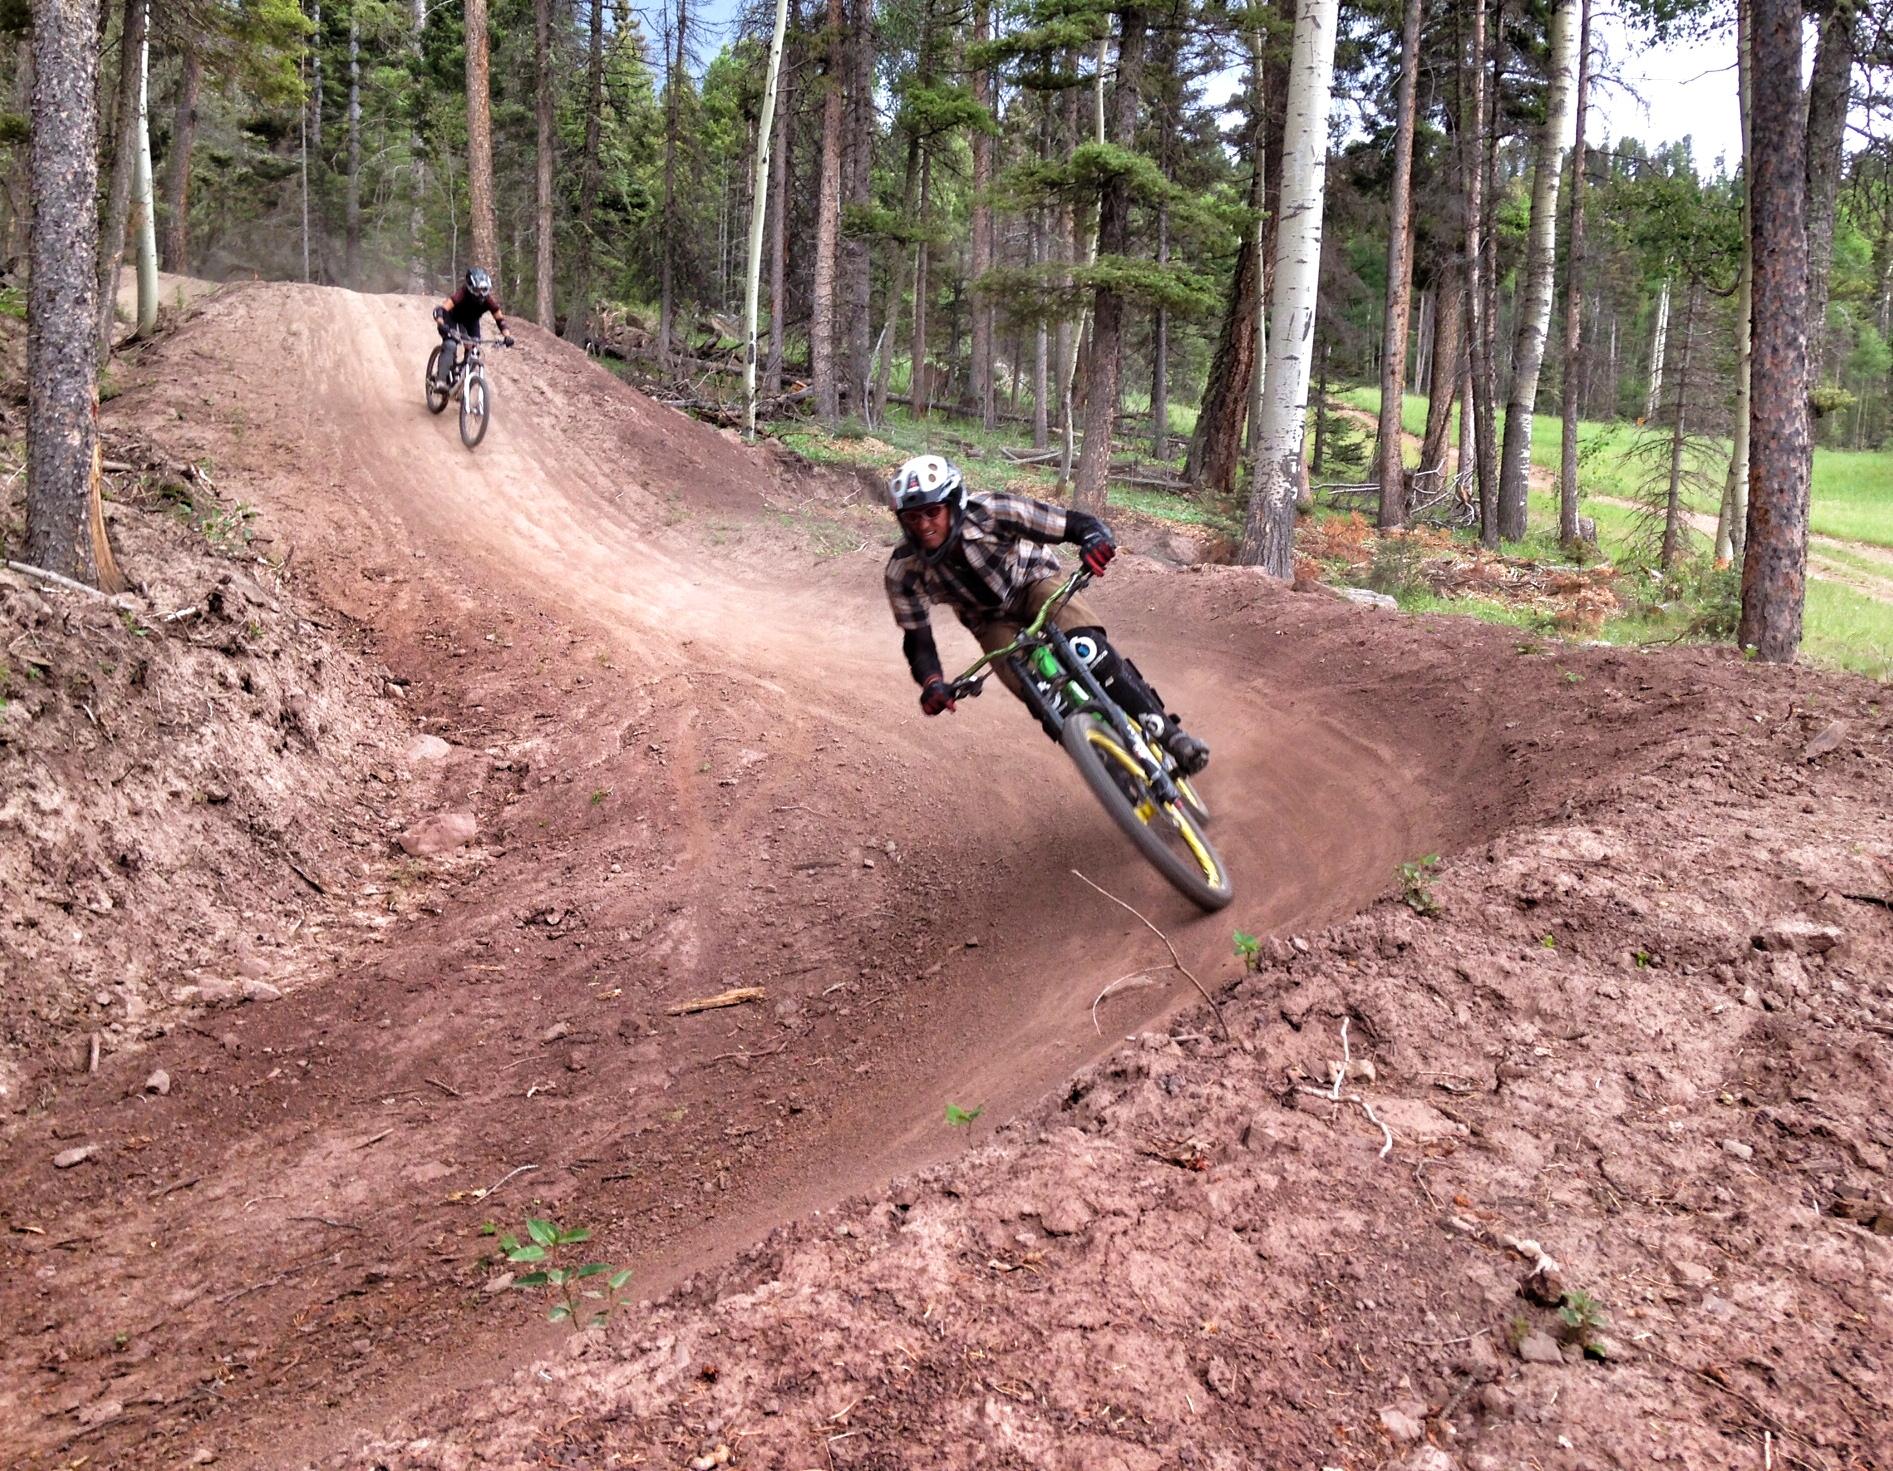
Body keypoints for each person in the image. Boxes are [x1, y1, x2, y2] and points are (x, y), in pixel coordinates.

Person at [883, 453, 1209, 775]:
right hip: (990, 620)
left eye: (932, 512)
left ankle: (1171, 735)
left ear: (953, 504)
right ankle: (1111, 773)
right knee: (1043, 699)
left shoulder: (994, 511)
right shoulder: (903, 570)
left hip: (1035, 581)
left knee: (1087, 649)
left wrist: (1094, 539)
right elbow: (917, 639)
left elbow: (1072, 524)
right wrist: (932, 683)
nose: (924, 525)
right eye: (912, 518)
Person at [432, 268, 513, 385]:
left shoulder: (489, 301)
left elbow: (500, 320)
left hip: (471, 322)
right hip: (452, 319)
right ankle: (441, 380)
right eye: (477, 289)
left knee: (475, 351)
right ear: (470, 288)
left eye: (484, 289)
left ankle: (462, 382)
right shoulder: (462, 293)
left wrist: (507, 337)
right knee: (450, 344)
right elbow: (442, 308)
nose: (481, 294)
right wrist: (441, 322)